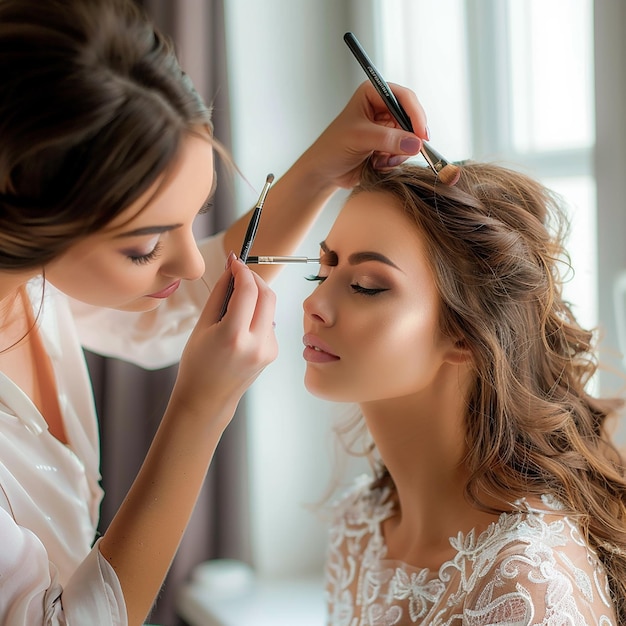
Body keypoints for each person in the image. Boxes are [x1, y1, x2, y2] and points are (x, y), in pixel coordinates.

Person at [0, 0, 429, 624]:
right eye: (145, 246)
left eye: (195, 213)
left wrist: (322, 167)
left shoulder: (34, 280)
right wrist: (201, 409)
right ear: (26, 220)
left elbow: (164, 314)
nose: (194, 265)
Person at [302, 160, 626, 624]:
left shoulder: (524, 583)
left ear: (464, 336)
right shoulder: (359, 523)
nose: (313, 304)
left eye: (365, 286)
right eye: (321, 272)